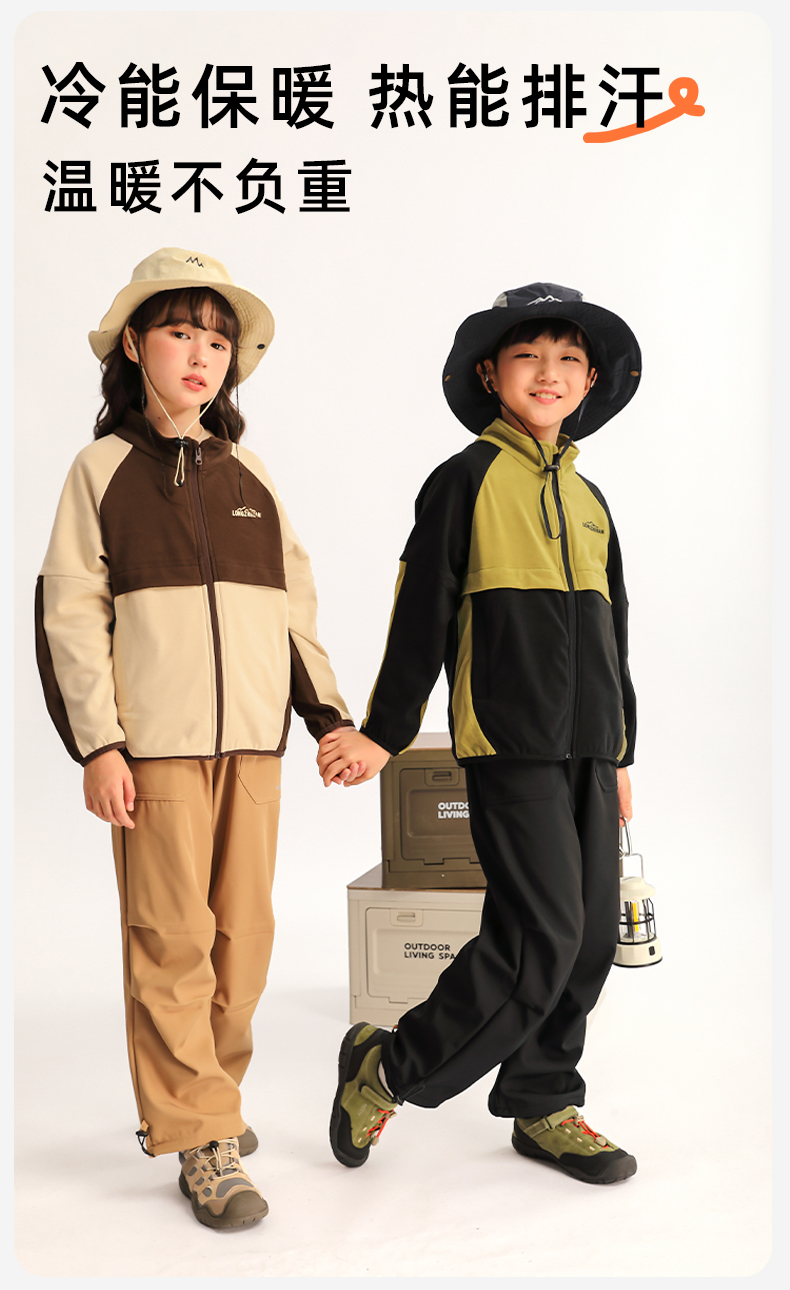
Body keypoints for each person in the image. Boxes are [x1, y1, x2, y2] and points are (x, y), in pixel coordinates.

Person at [35, 247, 357, 1230]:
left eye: (216, 341)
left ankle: (208, 1093)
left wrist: (329, 717)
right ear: (136, 345)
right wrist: (99, 744)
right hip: (156, 752)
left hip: (253, 748)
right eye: (179, 332)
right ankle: (196, 1132)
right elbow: (68, 616)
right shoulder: (100, 471)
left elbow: (294, 610)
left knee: (242, 943)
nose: (201, 354)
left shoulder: (249, 473)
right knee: (170, 942)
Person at [318, 282, 641, 1185]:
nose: (550, 373)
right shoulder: (464, 480)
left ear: (590, 382)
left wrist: (621, 751)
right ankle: (388, 1067)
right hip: (510, 744)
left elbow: (614, 634)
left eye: (569, 359)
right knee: (540, 939)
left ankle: (544, 1100)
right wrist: (384, 732)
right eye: (528, 356)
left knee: (587, 938)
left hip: (589, 747)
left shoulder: (590, 499)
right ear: (491, 375)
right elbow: (420, 611)